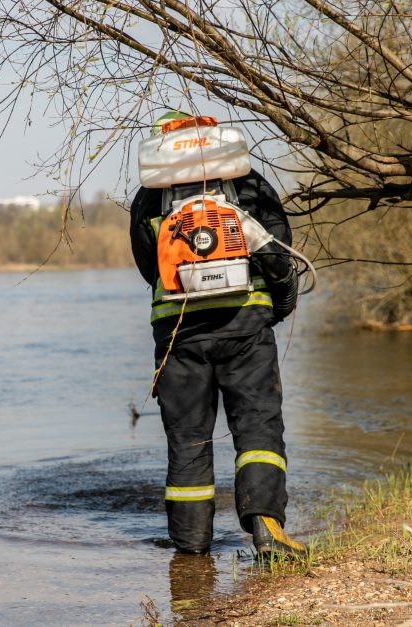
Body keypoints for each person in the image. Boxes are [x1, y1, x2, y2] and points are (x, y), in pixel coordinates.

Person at [129, 112, 307, 557]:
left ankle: (191, 555)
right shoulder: (249, 184)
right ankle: (267, 531)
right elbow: (280, 253)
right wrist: (275, 309)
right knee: (258, 427)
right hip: (245, 325)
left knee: (188, 439)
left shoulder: (148, 201)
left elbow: (150, 269)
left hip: (179, 335)